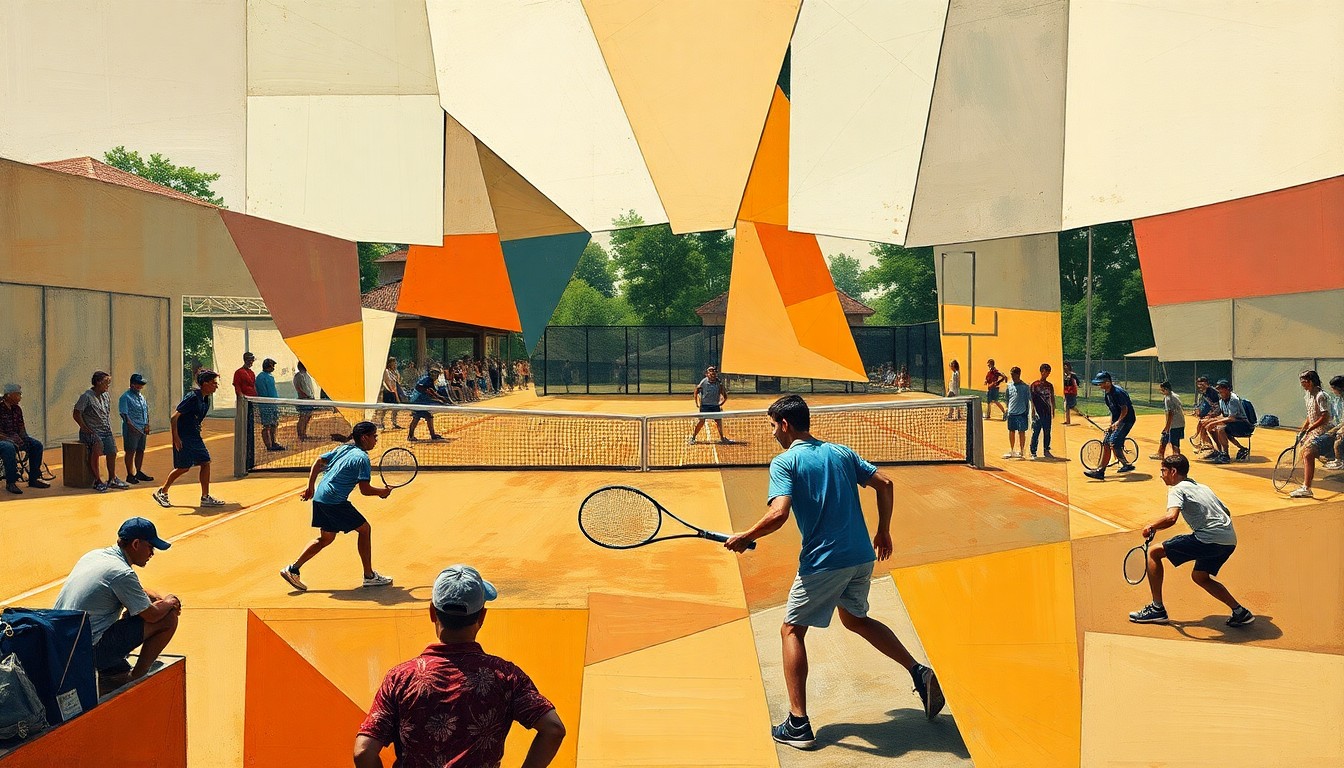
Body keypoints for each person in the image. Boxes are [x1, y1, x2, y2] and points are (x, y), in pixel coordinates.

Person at [724, 395, 944, 748]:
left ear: (785, 424)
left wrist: (747, 535)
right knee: (855, 620)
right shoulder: (840, 452)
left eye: (772, 426)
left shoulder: (785, 462)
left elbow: (779, 514)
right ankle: (919, 672)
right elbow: (885, 484)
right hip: (860, 556)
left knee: (791, 630)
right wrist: (883, 531)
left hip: (824, 561)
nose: (772, 433)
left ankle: (798, 723)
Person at [355, 565, 565, 767]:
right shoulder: (506, 676)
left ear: (432, 612)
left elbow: (363, 751)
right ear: (482, 617)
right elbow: (553, 729)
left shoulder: (400, 678)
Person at [53, 517, 181, 692]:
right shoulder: (122, 574)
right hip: (87, 652)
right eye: (150, 547)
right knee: (168, 618)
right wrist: (170, 602)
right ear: (136, 544)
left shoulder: (94, 556)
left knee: (136, 610)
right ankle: (136, 676)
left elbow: (136, 592)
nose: (152, 553)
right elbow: (152, 615)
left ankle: (111, 669)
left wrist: (157, 600)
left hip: (61, 645)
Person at [1128, 455, 1254, 627]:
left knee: (1153, 552)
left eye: (1163, 471)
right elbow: (1226, 512)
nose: (1161, 475)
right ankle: (1240, 612)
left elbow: (1171, 518)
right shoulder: (1202, 487)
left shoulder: (1177, 489)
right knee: (1200, 576)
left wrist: (1152, 526)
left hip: (1209, 539)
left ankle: (1157, 609)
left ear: (1173, 471)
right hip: (1229, 541)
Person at [281, 422, 394, 591]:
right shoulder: (362, 459)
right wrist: (382, 492)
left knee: (326, 538)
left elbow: (318, 462)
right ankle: (369, 576)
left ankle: (293, 569)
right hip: (334, 501)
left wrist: (311, 488)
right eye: (374, 436)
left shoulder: (344, 448)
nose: (376, 440)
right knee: (364, 529)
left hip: (320, 497)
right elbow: (365, 490)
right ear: (365, 437)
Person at [153, 370, 226, 508]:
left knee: (205, 462)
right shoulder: (192, 397)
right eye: (214, 383)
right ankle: (162, 491)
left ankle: (205, 497)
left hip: (194, 436)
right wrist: (176, 437)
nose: (216, 386)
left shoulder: (206, 399)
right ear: (205, 383)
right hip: (184, 437)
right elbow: (174, 418)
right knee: (183, 467)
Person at [74, 370, 128, 492]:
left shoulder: (106, 395)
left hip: (105, 429)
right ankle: (97, 480)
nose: (108, 385)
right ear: (98, 382)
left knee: (112, 451)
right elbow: (76, 413)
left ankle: (112, 478)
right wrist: (84, 427)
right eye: (106, 382)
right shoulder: (86, 397)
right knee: (97, 450)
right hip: (92, 431)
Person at [1289, 369, 1335, 499]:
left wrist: (1311, 429)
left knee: (1308, 453)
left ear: (1311, 382)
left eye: (1304, 382)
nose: (1302, 384)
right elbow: (1310, 415)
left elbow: (1325, 417)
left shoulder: (1321, 396)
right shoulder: (1308, 396)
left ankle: (1306, 488)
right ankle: (1306, 485)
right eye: (1302, 382)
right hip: (1315, 430)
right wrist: (1304, 429)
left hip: (1326, 431)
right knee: (1306, 452)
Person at [1082, 371, 1136, 480]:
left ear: (1108, 382)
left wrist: (1118, 422)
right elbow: (1114, 411)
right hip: (1118, 420)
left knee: (1114, 442)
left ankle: (1124, 464)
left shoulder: (1118, 393)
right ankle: (1101, 471)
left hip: (1127, 420)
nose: (1100, 385)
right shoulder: (1107, 394)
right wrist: (1111, 425)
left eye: (1101, 383)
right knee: (1106, 442)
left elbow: (1124, 409)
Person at [1, 383, 49, 494]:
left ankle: (34, 479)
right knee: (9, 448)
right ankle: (11, 482)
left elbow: (21, 427)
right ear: (9, 395)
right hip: (3, 439)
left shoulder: (17, 409)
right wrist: (10, 440)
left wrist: (24, 439)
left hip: (15, 437)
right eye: (18, 394)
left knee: (36, 445)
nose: (20, 397)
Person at [118, 373, 154, 485]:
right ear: (132, 384)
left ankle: (138, 471)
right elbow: (124, 414)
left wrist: (147, 424)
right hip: (132, 429)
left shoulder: (141, 397)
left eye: (141, 384)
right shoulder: (125, 397)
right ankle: (130, 474)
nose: (140, 386)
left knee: (140, 450)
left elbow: (145, 411)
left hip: (142, 428)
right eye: (138, 384)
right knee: (130, 451)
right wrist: (131, 426)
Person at [1206, 380, 1251, 465]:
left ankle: (1225, 456)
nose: (1219, 391)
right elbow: (1221, 413)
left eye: (1221, 389)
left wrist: (1213, 423)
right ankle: (1239, 449)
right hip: (1233, 424)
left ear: (1227, 389)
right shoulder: (1222, 400)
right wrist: (1210, 417)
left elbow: (1231, 418)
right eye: (1218, 389)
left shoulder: (1233, 400)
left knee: (1221, 429)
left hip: (1243, 425)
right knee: (1216, 428)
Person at [689, 366, 732, 444]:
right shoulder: (703, 382)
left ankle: (722, 438)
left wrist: (721, 403)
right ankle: (693, 437)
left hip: (715, 406)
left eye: (714, 373)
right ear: (707, 374)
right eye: (711, 373)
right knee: (701, 422)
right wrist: (696, 402)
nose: (713, 374)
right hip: (705, 406)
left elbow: (724, 395)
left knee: (718, 422)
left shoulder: (719, 383)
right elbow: (696, 391)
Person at [407, 364, 448, 442]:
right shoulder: (427, 380)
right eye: (435, 373)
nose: (436, 375)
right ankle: (411, 436)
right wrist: (440, 399)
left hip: (422, 401)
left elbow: (432, 392)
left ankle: (432, 435)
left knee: (428, 417)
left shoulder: (430, 381)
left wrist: (440, 398)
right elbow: (426, 391)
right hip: (418, 401)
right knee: (417, 417)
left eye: (437, 374)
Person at [254, 358, 285, 451]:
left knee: (274, 424)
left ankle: (273, 442)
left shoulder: (270, 377)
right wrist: (267, 403)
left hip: (273, 405)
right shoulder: (260, 377)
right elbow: (263, 392)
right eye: (272, 366)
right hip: (266, 406)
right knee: (267, 425)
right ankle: (269, 445)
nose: (274, 368)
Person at [1151, 381, 1184, 461]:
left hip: (1175, 424)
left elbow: (1171, 413)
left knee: (1174, 443)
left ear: (1166, 389)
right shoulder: (1174, 396)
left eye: (1162, 390)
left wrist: (1167, 427)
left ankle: (1177, 458)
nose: (1161, 392)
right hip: (1179, 423)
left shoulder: (1169, 399)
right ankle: (1160, 454)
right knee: (1165, 437)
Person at [1029, 363, 1056, 460]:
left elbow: (1052, 398)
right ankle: (1033, 451)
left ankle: (1046, 450)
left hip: (1047, 412)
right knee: (1036, 432)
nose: (1047, 374)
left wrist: (1053, 409)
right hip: (1038, 412)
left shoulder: (1049, 385)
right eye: (1045, 372)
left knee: (1047, 431)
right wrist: (1033, 410)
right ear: (1041, 372)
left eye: (1048, 372)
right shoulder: (1034, 385)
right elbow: (1032, 399)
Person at [1003, 366, 1029, 459]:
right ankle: (1012, 450)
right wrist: (1007, 408)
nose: (1012, 377)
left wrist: (1028, 411)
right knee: (1011, 431)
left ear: (1018, 375)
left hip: (1022, 412)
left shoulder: (1025, 387)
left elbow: (1028, 400)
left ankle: (1021, 451)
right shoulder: (1009, 386)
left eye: (1014, 375)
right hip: (1012, 412)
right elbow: (1007, 398)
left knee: (1021, 432)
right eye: (1011, 375)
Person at [1190, 376, 1222, 453]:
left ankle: (1208, 446)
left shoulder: (1213, 392)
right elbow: (1202, 404)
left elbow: (1218, 405)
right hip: (1210, 414)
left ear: (1207, 383)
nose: (1200, 386)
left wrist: (1211, 415)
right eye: (1199, 384)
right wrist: (1198, 411)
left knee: (1205, 426)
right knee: (1203, 426)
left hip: (1218, 414)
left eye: (1202, 384)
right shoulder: (1204, 392)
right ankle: (1206, 445)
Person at [293, 360, 318, 441]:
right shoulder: (298, 376)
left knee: (307, 417)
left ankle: (304, 433)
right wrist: (306, 395)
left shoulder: (307, 375)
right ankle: (301, 434)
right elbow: (299, 388)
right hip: (304, 399)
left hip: (309, 399)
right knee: (303, 417)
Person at [1324, 375, 1344, 471]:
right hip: (1339, 424)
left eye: (1333, 388)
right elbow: (1332, 416)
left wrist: (1334, 430)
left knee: (1339, 437)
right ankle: (1332, 456)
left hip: (1342, 426)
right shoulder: (1337, 399)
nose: (1332, 390)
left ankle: (1339, 461)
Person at [378, 356, 403, 430]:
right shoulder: (386, 371)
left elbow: (398, 381)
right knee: (385, 408)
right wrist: (392, 390)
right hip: (388, 391)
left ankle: (394, 422)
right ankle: (381, 422)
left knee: (396, 408)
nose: (395, 364)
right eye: (393, 363)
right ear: (389, 363)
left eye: (395, 363)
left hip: (395, 390)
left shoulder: (395, 371)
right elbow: (387, 381)